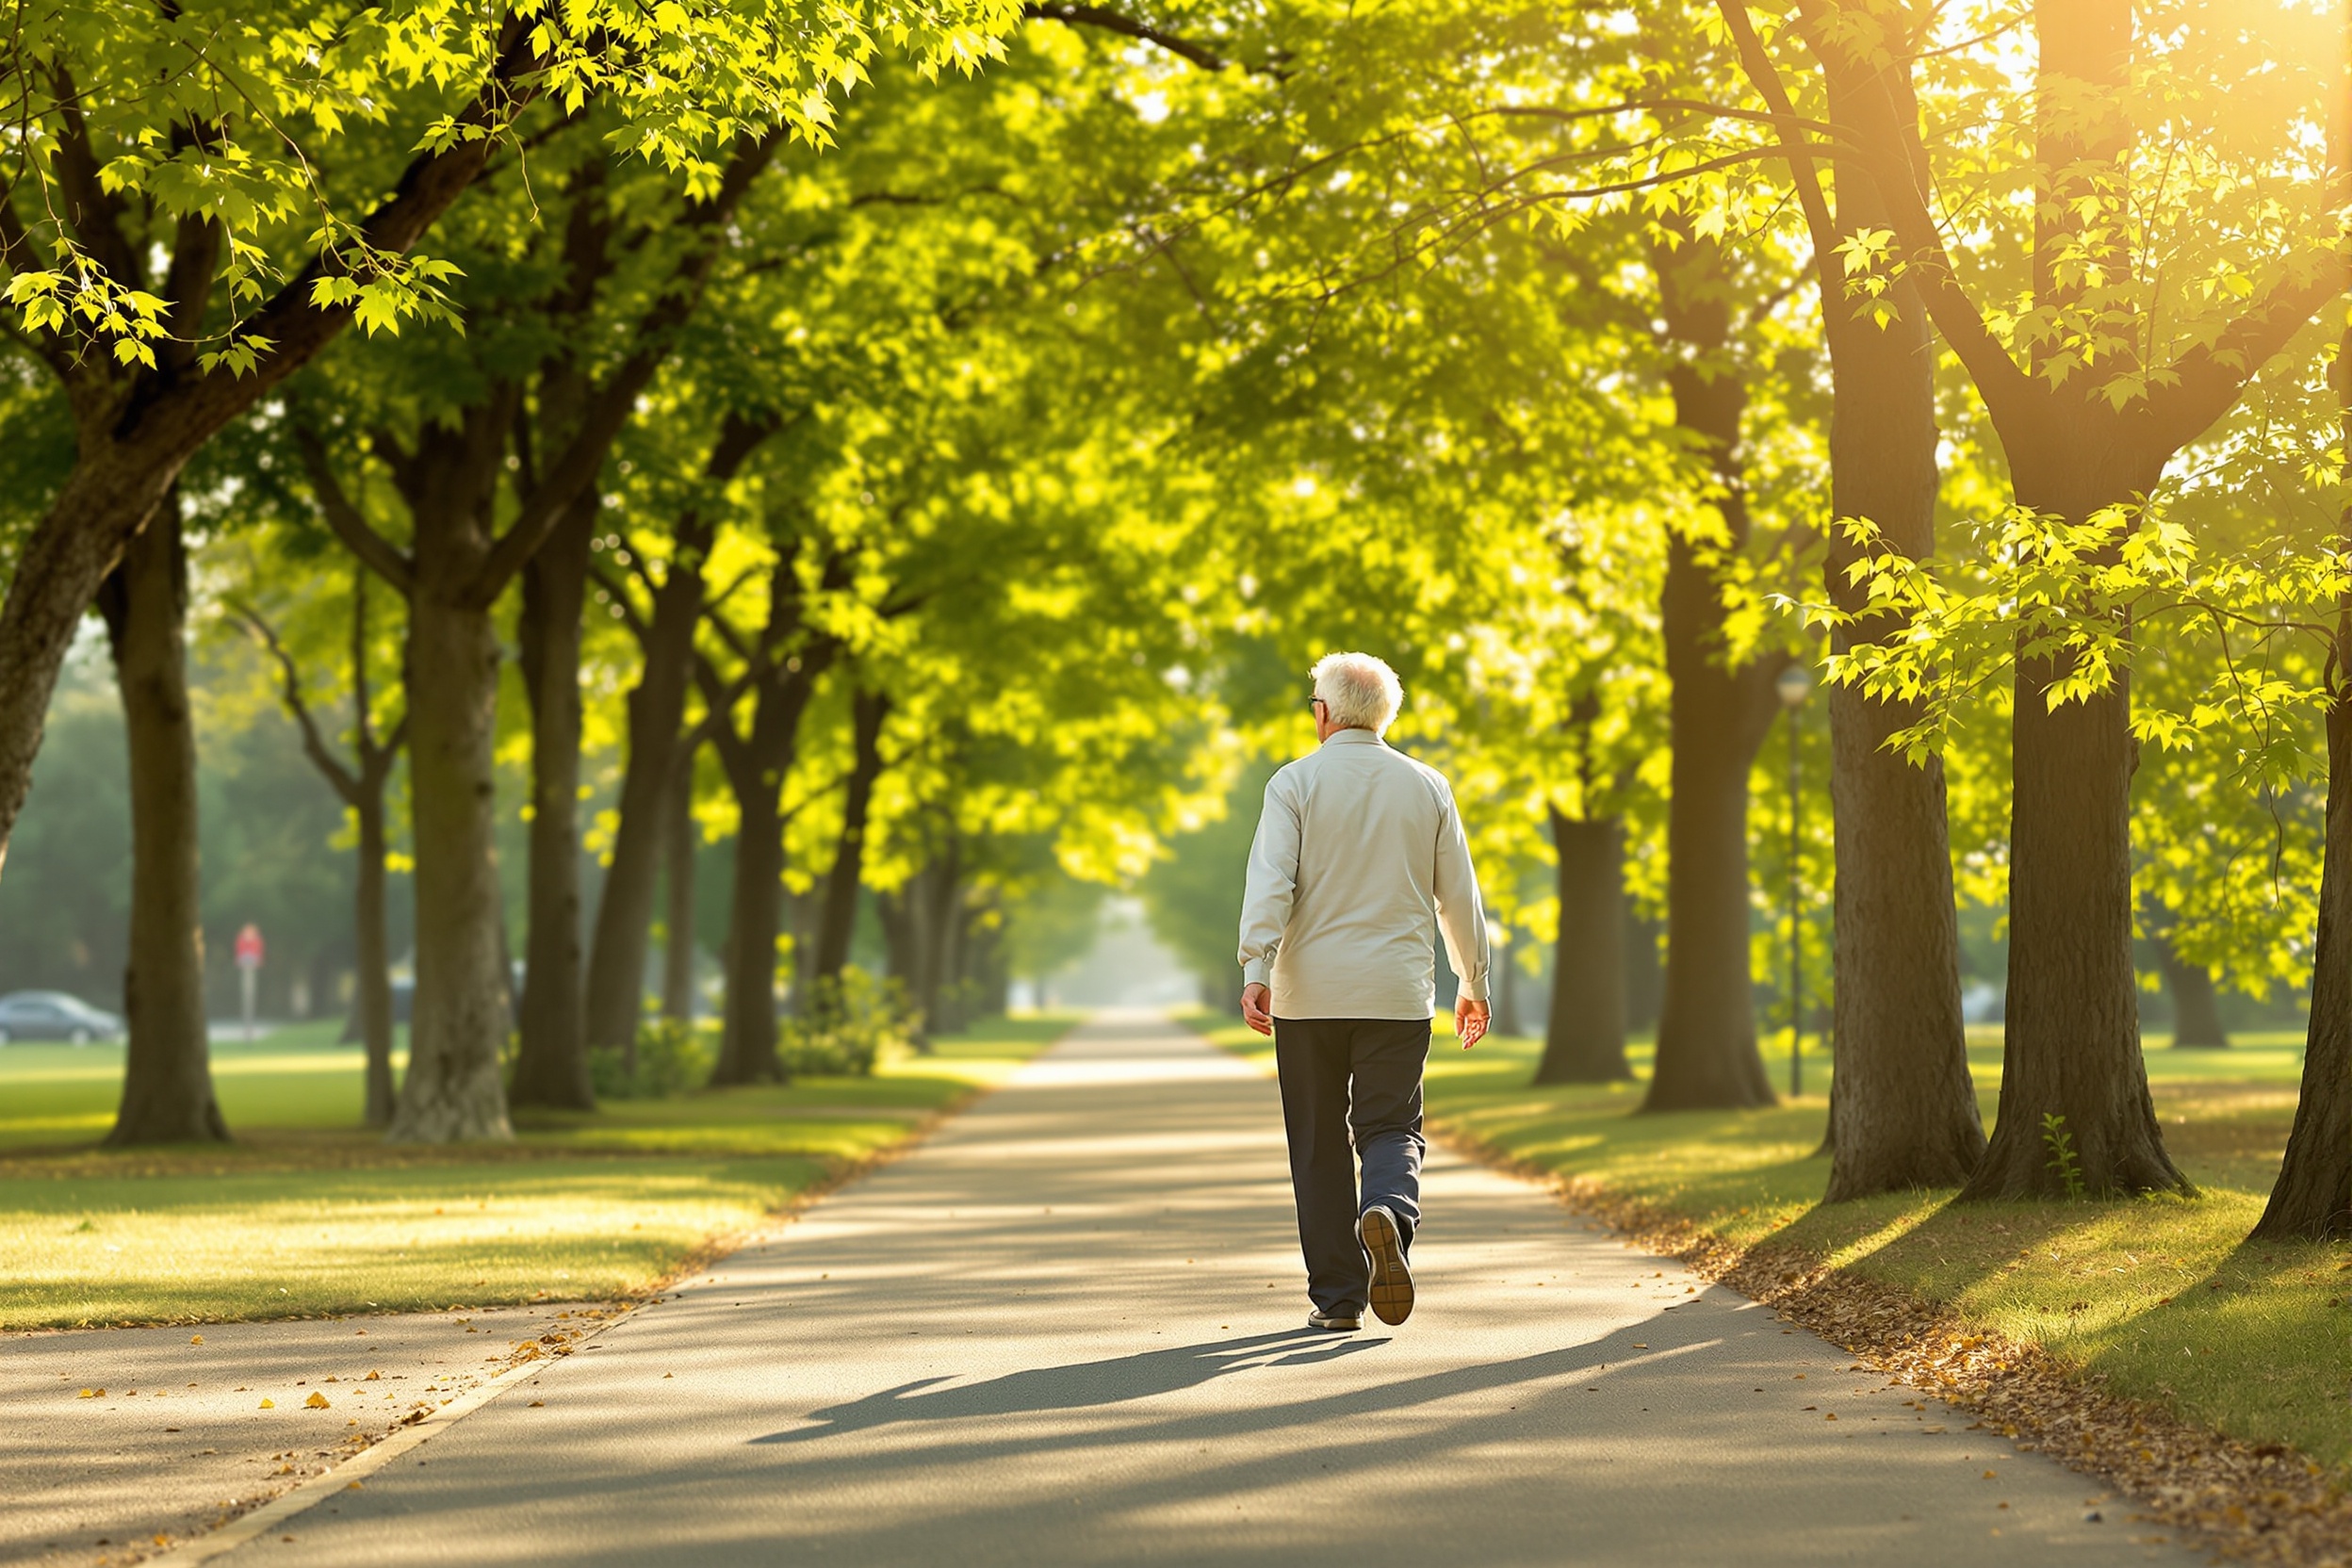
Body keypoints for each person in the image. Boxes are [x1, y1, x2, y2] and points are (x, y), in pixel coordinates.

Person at [1237, 651, 1492, 1332]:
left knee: (1318, 1142)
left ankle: (1339, 1298)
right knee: (1391, 1127)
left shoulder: (1294, 783)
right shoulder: (1428, 785)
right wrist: (1473, 980)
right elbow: (1458, 895)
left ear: (1322, 713)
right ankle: (1387, 1210)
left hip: (1308, 995)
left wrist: (1255, 968)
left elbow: (1271, 882)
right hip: (1397, 993)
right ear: (1384, 716)